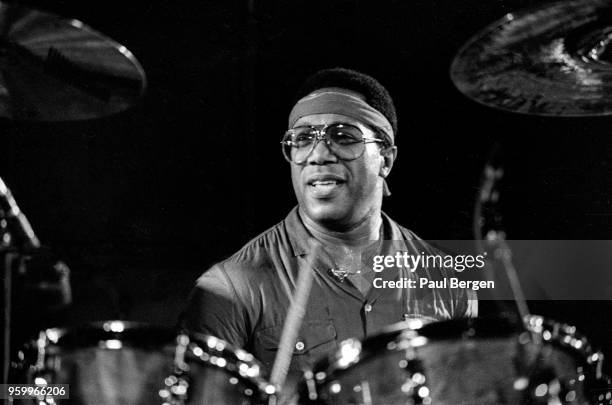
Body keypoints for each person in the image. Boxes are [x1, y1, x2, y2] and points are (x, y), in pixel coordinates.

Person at [181, 67, 477, 377]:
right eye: (303, 139)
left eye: (343, 136)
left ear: (386, 159)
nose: (318, 155)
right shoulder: (229, 287)